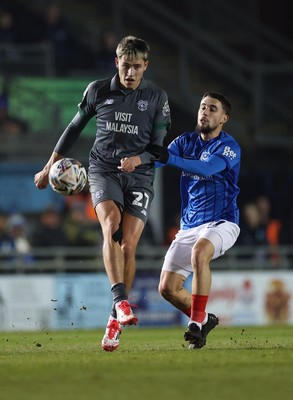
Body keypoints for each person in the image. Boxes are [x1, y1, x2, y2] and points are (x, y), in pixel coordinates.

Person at [34, 35, 171, 351]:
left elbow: (159, 149)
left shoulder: (157, 98)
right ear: (116, 63)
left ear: (145, 66)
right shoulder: (98, 90)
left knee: (129, 246)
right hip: (103, 170)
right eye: (126, 66)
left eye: (137, 67)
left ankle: (113, 321)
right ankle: (122, 303)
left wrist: (139, 158)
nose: (131, 73)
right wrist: (47, 168)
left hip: (140, 176)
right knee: (111, 229)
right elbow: (73, 128)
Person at [153, 92, 241, 349]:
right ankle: (204, 321)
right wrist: (136, 161)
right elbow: (157, 162)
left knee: (200, 252)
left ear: (224, 118)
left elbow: (205, 169)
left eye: (212, 109)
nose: (205, 112)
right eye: (202, 107)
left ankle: (195, 323)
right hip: (189, 225)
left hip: (222, 222)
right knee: (167, 289)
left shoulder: (228, 146)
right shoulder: (184, 142)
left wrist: (166, 158)